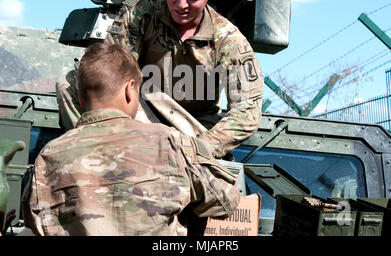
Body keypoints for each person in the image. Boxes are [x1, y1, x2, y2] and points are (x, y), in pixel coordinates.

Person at [56, 0, 263, 159]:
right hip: (137, 116)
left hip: (191, 130)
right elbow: (108, 75)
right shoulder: (141, 13)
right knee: (71, 85)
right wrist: (134, 123)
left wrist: (200, 149)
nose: (181, 4)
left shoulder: (228, 39)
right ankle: (99, 162)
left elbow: (247, 111)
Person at [21, 43, 240, 236]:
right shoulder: (170, 142)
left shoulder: (48, 156)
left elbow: (36, 223)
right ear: (130, 90)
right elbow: (225, 201)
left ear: (79, 98)